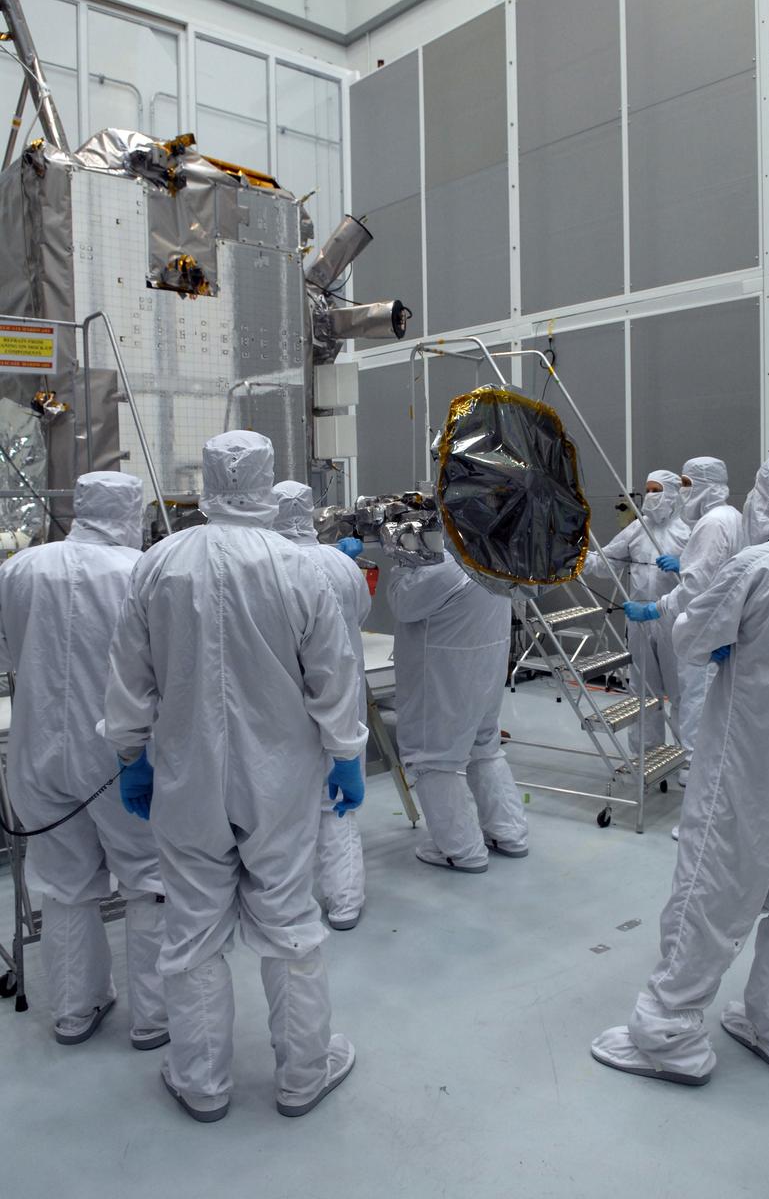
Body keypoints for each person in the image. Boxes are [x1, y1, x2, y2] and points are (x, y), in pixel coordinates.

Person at [100, 432, 367, 1123]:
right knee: (290, 924)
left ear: (209, 483)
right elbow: (333, 675)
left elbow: (131, 677)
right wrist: (345, 753)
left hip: (186, 777)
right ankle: (303, 1076)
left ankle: (202, 1082)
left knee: (191, 930)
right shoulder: (298, 566)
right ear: (268, 481)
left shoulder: (160, 563)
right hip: (280, 780)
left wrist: (131, 756)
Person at [591, 452, 769, 1085]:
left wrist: (690, 621)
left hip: (751, 753)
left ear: (766, 496)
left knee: (709, 882)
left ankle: (667, 1034)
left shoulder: (758, 564)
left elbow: (691, 637)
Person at [0, 471, 167, 1050]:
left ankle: (75, 1011)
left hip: (37, 751)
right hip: (121, 752)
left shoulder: (21, 569)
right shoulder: (141, 571)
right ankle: (155, 1018)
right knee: (150, 878)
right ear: (128, 512)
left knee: (66, 884)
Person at [388, 550, 528, 872]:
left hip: (445, 673)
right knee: (484, 747)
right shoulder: (496, 557)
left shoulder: (446, 567)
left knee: (432, 758)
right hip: (485, 669)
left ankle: (460, 850)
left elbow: (402, 603)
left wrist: (402, 564)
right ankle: (508, 832)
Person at [272, 480, 371, 931]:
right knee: (337, 805)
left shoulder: (270, 564)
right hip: (343, 696)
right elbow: (361, 614)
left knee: (285, 804)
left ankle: (287, 900)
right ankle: (345, 901)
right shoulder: (340, 562)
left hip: (287, 701)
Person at [624, 457, 743, 808]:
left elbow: (696, 586)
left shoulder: (710, 525)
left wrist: (654, 607)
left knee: (692, 701)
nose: (683, 491)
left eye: (686, 484)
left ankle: (696, 783)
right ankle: (662, 759)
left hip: (690, 623)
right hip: (703, 627)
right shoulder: (731, 518)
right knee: (666, 694)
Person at [583, 470, 689, 751]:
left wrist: (684, 565)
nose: (651, 496)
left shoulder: (689, 530)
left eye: (657, 490)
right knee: (643, 689)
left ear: (673, 494)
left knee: (682, 691)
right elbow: (607, 563)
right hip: (640, 620)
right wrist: (576, 557)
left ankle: (688, 757)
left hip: (675, 619)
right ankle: (647, 751)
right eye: (648, 490)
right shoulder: (637, 529)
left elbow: (705, 576)